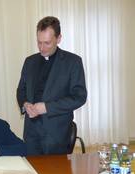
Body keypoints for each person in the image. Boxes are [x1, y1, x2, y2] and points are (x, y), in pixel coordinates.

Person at [16, 16, 87, 155]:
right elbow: (21, 89)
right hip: (31, 133)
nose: (42, 48)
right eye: (39, 43)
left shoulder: (73, 62)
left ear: (59, 38)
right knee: (32, 173)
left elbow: (79, 97)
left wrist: (46, 108)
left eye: (47, 43)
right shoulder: (30, 61)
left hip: (57, 134)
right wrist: (25, 104)